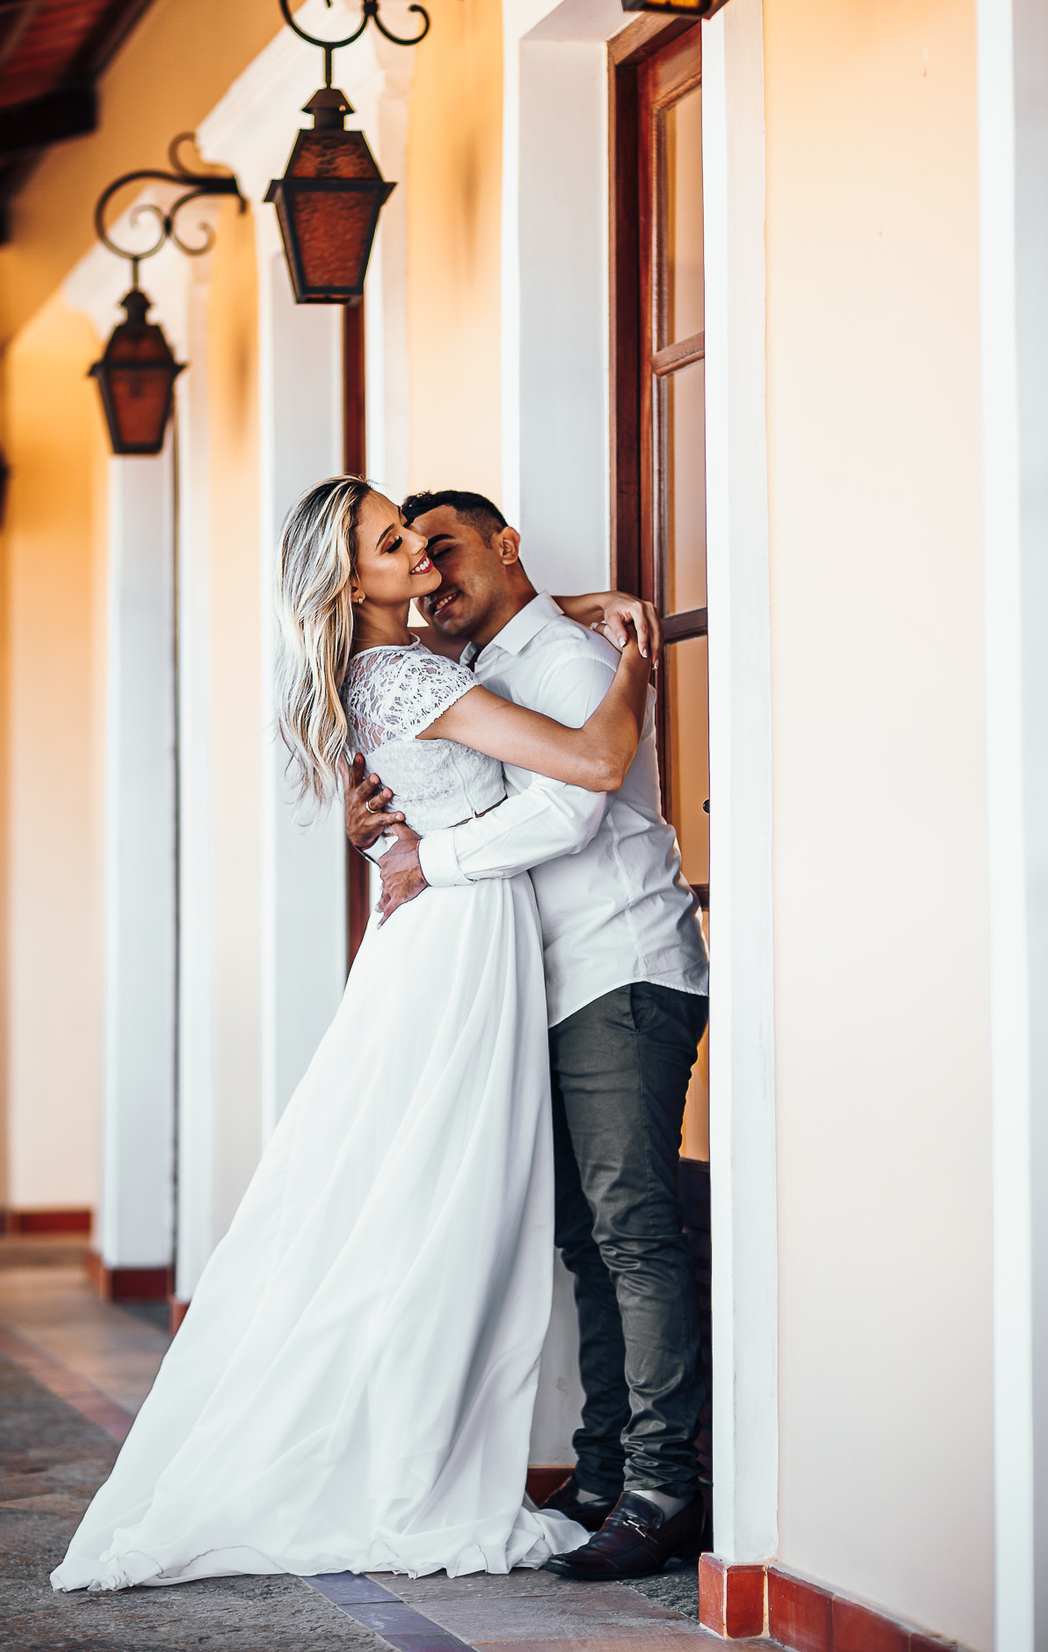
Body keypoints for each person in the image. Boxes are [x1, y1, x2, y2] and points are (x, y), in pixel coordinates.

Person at [50, 475, 656, 1593]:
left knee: (426, 1201)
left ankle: (409, 1449)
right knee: (447, 1213)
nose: (421, 556)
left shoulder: (372, 671)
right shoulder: (408, 671)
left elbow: (446, 724)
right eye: (394, 545)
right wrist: (635, 658)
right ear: (354, 580)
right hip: (462, 944)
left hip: (451, 937)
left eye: (421, 539)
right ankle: (410, 1471)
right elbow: (590, 765)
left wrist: (567, 606)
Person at [344, 489, 710, 1581]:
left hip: (618, 969)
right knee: (588, 1241)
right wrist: (385, 836)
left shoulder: (568, 665)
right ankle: (601, 1473)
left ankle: (660, 1489)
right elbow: (443, 791)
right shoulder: (474, 673)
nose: (431, 571)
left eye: (446, 549)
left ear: (507, 548)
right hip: (534, 987)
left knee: (631, 1230)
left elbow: (569, 809)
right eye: (411, 550)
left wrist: (425, 865)